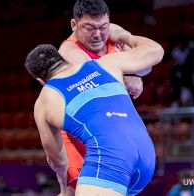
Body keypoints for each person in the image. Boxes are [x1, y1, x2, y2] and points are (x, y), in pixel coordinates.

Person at [24, 32, 163, 195]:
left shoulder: (46, 98)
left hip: (111, 158)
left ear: (40, 81)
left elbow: (58, 161)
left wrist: (63, 189)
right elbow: (156, 50)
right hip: (146, 155)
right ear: (63, 59)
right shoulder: (105, 64)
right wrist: (125, 36)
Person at [57, 0, 151, 192]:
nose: (97, 34)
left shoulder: (114, 34)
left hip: (112, 130)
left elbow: (146, 67)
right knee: (75, 189)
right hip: (80, 135)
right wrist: (127, 78)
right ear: (74, 25)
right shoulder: (69, 51)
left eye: (103, 27)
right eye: (89, 28)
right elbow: (99, 81)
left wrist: (126, 36)